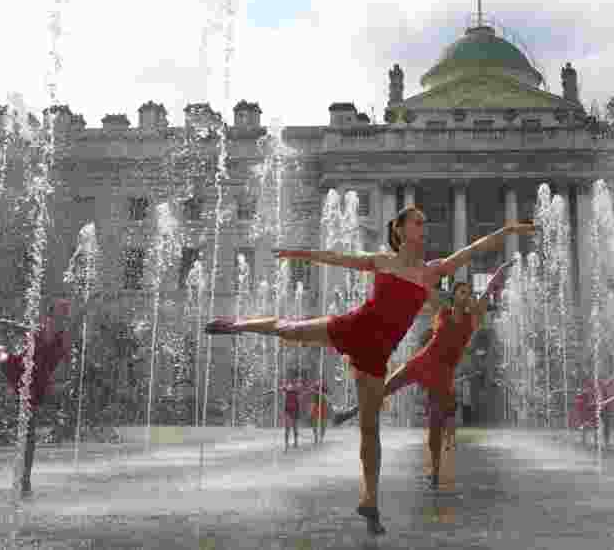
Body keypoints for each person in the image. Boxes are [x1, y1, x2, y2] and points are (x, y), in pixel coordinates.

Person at [205, 206, 534, 535]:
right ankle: (238, 324)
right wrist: (299, 253)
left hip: (377, 355)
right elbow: (338, 257)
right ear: (401, 230)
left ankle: (370, 503)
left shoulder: (432, 272)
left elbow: (473, 250)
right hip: (354, 327)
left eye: (424, 221)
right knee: (289, 328)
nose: (424, 226)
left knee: (370, 429)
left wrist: (506, 233)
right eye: (418, 222)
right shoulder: (382, 260)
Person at [333, 262, 511, 488]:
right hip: (422, 361)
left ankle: (435, 472)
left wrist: (501, 270)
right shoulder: (442, 310)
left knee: (435, 424)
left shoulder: (472, 317)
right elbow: (425, 289)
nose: (466, 295)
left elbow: (487, 292)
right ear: (454, 295)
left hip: (443, 373)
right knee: (386, 387)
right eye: (461, 291)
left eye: (468, 292)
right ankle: (350, 411)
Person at [0, 299, 73, 498]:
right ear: (52, 313)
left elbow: (66, 362)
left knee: (29, 431)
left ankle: (24, 480)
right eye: (62, 311)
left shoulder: (63, 335)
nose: (64, 315)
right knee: (28, 431)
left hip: (38, 382)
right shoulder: (42, 327)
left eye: (65, 312)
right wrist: (8, 324)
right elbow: (25, 330)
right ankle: (24, 481)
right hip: (24, 373)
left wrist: (63, 383)